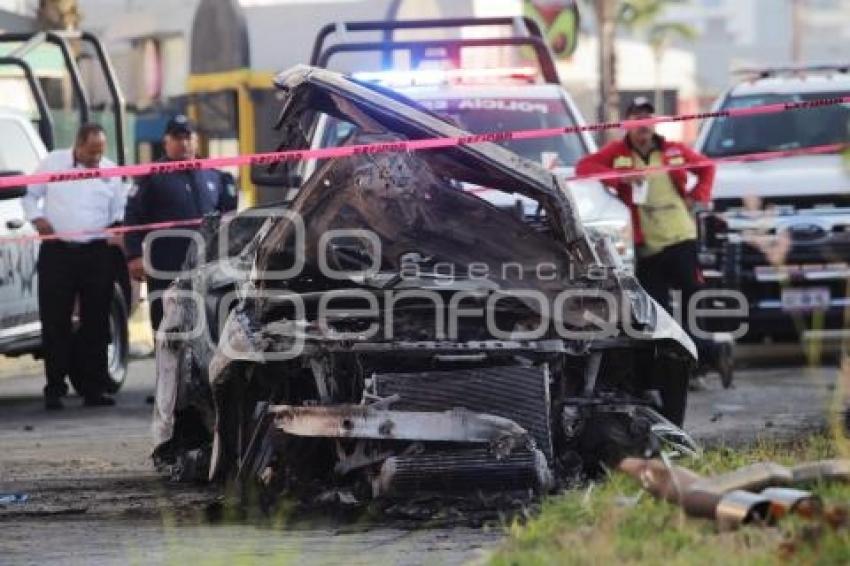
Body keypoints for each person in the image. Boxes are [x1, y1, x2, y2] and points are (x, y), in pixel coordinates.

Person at [576, 97, 733, 387]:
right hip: (647, 247)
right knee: (657, 312)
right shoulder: (618, 152)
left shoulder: (672, 150)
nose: (643, 124)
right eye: (637, 118)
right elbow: (584, 167)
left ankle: (699, 362)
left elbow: (707, 167)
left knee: (693, 302)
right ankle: (694, 360)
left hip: (680, 238)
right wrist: (621, 178)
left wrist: (696, 197)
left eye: (648, 118)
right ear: (627, 124)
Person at [23, 123, 126, 410]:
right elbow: (29, 195)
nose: (96, 158)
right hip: (58, 251)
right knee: (55, 320)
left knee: (96, 321)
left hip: (96, 252)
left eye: (100, 151)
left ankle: (94, 389)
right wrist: (38, 220)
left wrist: (117, 231)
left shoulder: (110, 171)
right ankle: (55, 388)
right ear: (78, 145)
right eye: (92, 151)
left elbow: (118, 211)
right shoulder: (53, 162)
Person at [124, 115, 237, 333]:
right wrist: (134, 256)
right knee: (168, 326)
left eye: (188, 137)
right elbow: (133, 216)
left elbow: (230, 218)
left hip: (207, 265)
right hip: (167, 266)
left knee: (209, 324)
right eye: (177, 137)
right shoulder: (151, 177)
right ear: (166, 141)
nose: (184, 143)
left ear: (195, 140)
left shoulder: (215, 176)